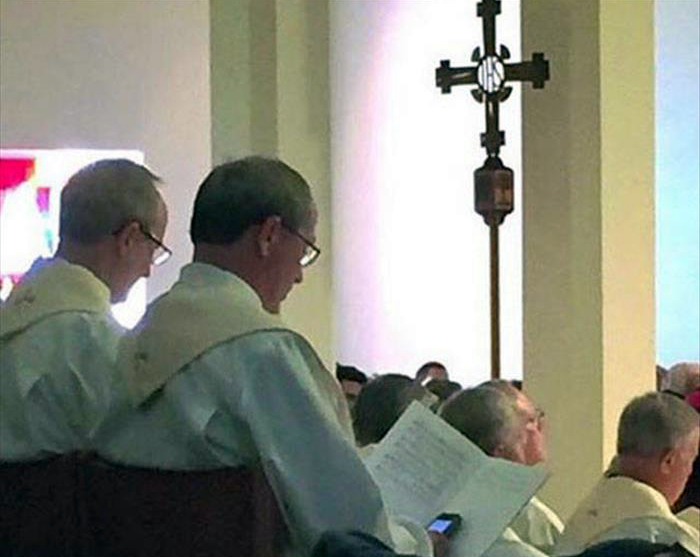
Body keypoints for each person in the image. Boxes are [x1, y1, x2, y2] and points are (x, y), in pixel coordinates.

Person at [95, 157, 436, 557]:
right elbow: (347, 524)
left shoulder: (133, 339)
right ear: (270, 235)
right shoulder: (262, 352)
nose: (299, 275)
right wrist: (422, 543)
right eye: (305, 251)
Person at [0, 159, 168, 461]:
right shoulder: (104, 348)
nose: (147, 271)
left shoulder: (11, 318)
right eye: (153, 250)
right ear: (129, 238)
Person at [554, 392, 700, 557]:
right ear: (668, 461)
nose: (689, 471)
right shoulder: (668, 542)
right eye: (691, 460)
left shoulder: (578, 524)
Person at [440, 384, 563, 556]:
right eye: (529, 422)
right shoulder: (526, 523)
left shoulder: (429, 517)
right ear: (500, 452)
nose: (539, 428)